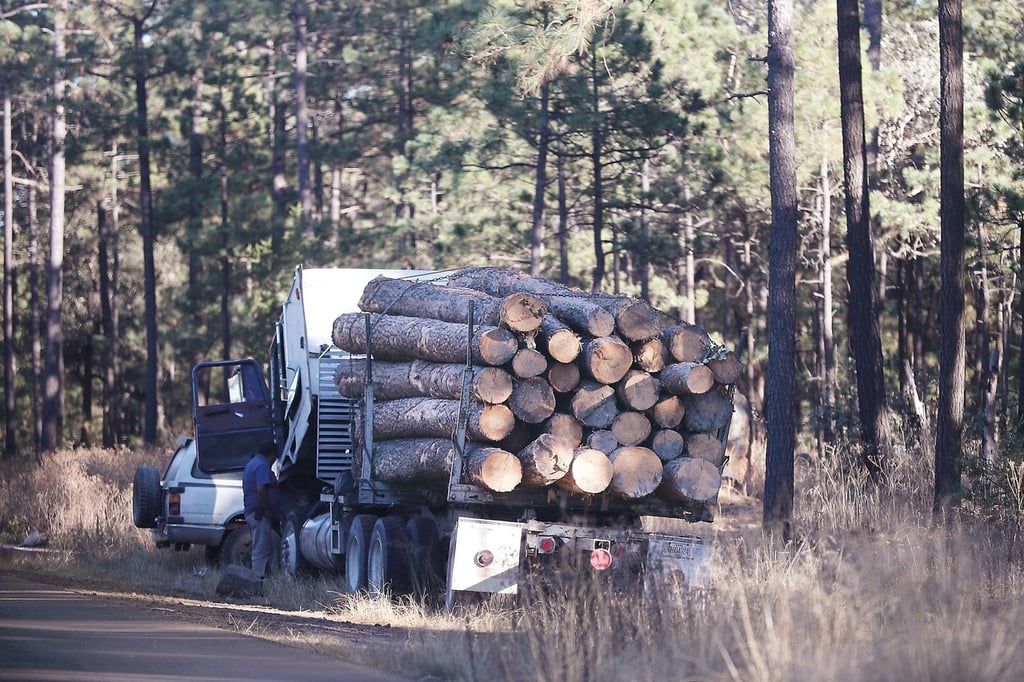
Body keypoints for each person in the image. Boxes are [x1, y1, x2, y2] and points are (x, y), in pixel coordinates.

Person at [242, 439, 280, 578]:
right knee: (261, 549)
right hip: (260, 513)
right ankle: (256, 580)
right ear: (271, 455)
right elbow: (261, 489)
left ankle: (263, 576)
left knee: (261, 546)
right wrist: (268, 509)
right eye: (275, 458)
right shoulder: (262, 465)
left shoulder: (252, 463)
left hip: (251, 511)